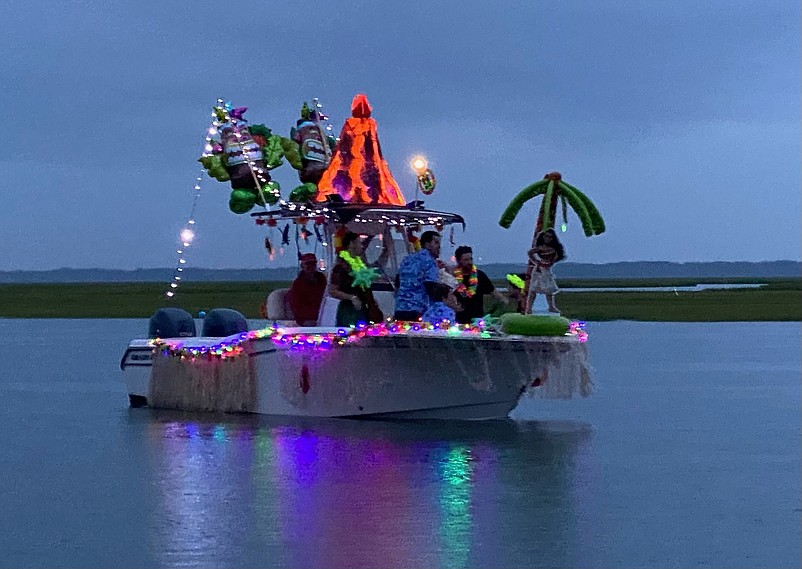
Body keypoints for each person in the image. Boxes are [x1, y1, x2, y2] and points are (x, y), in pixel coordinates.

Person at [328, 232, 382, 326]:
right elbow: (332, 291)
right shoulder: (341, 266)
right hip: (349, 310)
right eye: (359, 243)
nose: (362, 246)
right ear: (351, 244)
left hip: (363, 308)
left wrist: (370, 300)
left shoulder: (360, 265)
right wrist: (351, 298)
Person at [451, 245, 508, 324]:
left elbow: (494, 293)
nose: (469, 262)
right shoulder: (452, 277)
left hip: (477, 321)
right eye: (466, 260)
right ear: (458, 261)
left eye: (471, 259)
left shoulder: (480, 275)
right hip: (456, 320)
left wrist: (504, 301)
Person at [394, 230, 441, 321]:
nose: (439, 246)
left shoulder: (407, 259)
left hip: (400, 308)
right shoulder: (430, 262)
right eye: (436, 242)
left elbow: (397, 282)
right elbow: (430, 286)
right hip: (419, 309)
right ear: (427, 244)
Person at [527, 228, 566, 313]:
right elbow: (530, 252)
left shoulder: (554, 249)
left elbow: (556, 257)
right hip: (539, 269)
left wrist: (551, 262)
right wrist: (536, 261)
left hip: (546, 269)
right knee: (533, 288)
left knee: (549, 289)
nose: (548, 239)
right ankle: (529, 308)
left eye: (550, 237)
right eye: (546, 237)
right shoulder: (540, 248)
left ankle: (551, 306)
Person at [288, 253, 327, 326]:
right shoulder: (298, 284)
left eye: (313, 264)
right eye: (308, 264)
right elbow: (297, 307)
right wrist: (316, 314)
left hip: (323, 315)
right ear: (302, 266)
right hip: (306, 318)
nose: (310, 266)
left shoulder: (321, 278)